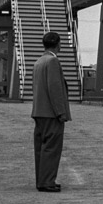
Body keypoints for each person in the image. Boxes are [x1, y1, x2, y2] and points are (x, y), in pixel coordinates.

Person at [31, 31, 71, 192]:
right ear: (57, 44)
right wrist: (61, 112)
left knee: (41, 149)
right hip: (51, 113)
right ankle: (47, 181)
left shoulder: (39, 61)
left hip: (39, 112)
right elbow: (55, 89)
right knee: (52, 149)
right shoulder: (53, 61)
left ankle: (42, 180)